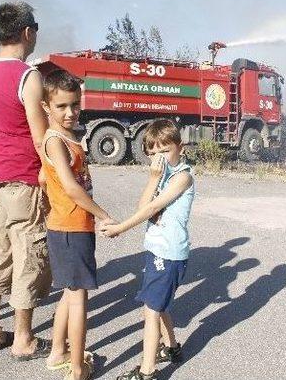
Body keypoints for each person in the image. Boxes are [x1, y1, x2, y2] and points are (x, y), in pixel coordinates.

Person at [0, 1, 51, 359]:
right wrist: (52, 173)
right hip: (23, 180)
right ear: (27, 32)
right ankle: (23, 338)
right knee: (28, 254)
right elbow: (39, 136)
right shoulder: (27, 76)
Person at [100, 119, 195, 380]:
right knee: (159, 304)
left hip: (169, 253)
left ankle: (147, 371)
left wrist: (121, 228)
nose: (158, 158)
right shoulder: (161, 176)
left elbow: (152, 209)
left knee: (150, 310)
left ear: (180, 147)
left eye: (164, 151)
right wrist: (153, 178)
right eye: (152, 153)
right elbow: (144, 205)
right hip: (156, 250)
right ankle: (172, 347)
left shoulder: (183, 177)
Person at [41, 69, 114, 380]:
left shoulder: (67, 136)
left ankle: (58, 351)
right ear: (46, 107)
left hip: (71, 226)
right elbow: (71, 187)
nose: (70, 112)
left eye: (75, 105)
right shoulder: (56, 140)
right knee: (80, 297)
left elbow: (46, 177)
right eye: (61, 107)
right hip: (71, 229)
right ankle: (76, 369)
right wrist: (103, 215)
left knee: (70, 293)